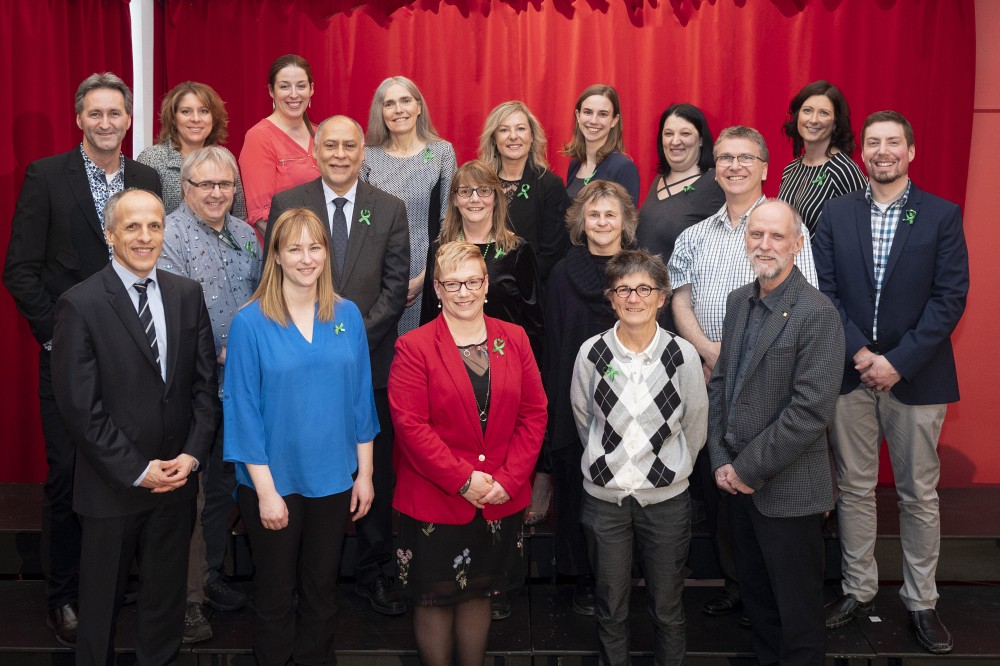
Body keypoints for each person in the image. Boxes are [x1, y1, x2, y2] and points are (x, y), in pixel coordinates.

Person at [2, 72, 161, 648]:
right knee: (70, 474)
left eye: (114, 113)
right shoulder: (46, 177)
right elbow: (19, 270)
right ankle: (64, 596)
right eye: (95, 113)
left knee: (131, 469)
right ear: (79, 119)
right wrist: (59, 335)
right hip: (70, 358)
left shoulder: (147, 177)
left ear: (127, 118)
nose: (105, 123)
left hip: (138, 356)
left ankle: (121, 583)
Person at [814, 111, 969, 655]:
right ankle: (858, 590)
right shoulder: (836, 215)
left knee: (918, 495)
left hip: (918, 377)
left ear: (911, 151)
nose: (883, 151)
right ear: (863, 154)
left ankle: (921, 602)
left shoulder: (941, 215)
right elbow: (824, 291)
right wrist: (860, 353)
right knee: (854, 490)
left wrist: (897, 361)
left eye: (893, 143)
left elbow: (950, 298)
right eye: (873, 143)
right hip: (849, 375)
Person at [50, 189, 216, 665]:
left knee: (164, 610)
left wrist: (191, 455)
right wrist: (138, 469)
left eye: (155, 226)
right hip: (112, 487)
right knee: (99, 612)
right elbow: (80, 408)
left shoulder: (187, 294)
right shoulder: (78, 305)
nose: (145, 237)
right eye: (132, 227)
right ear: (109, 234)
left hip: (176, 485)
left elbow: (204, 390)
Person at [668, 125, 817, 623]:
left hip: (772, 382)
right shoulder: (694, 235)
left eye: (745, 158)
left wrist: (736, 362)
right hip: (707, 372)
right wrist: (710, 351)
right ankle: (737, 582)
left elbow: (804, 302)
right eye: (725, 158)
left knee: (764, 474)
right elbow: (679, 296)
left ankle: (770, 591)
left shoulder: (787, 227)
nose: (734, 166)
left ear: (764, 168)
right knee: (718, 480)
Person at [266, 115, 410, 616]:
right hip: (298, 375)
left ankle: (374, 571)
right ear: (316, 149)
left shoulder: (388, 208)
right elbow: (272, 285)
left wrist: (344, 343)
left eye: (351, 145)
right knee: (307, 468)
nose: (341, 154)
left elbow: (395, 292)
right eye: (331, 145)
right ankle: (306, 573)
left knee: (373, 474)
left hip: (368, 367)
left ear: (362, 152)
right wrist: (317, 347)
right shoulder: (289, 204)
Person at [223, 207, 377, 665]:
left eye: (315, 247)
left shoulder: (346, 314)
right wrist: (268, 493)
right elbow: (243, 412)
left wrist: (364, 475)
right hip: (273, 485)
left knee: (321, 591)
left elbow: (361, 401)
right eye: (295, 249)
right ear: (277, 256)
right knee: (274, 594)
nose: (307, 258)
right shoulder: (250, 322)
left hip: (333, 480)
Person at [389, 240, 547, 666]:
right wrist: (463, 479)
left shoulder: (512, 339)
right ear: (436, 289)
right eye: (453, 283)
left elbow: (534, 414)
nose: (464, 292)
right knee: (434, 600)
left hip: (498, 497)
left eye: (472, 281)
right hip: (434, 499)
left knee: (479, 594)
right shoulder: (414, 346)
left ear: (486, 284)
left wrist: (509, 480)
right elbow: (410, 426)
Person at [707, 199, 844, 665]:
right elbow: (722, 383)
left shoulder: (817, 313)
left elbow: (809, 412)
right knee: (761, 613)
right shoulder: (737, 301)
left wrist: (744, 468)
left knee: (798, 622)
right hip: (738, 491)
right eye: (756, 235)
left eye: (777, 236)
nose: (765, 245)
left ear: (797, 244)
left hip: (789, 493)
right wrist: (721, 460)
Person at [571, 249, 707, 666]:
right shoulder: (592, 354)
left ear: (662, 297)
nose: (634, 298)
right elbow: (583, 417)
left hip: (665, 501)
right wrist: (607, 464)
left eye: (644, 289)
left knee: (667, 609)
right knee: (611, 609)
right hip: (605, 502)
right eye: (624, 289)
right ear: (610, 297)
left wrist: (668, 470)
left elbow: (696, 425)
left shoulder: (682, 355)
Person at [158, 146, 262, 642]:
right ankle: (187, 601)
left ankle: (211, 575)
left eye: (226, 185)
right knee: (191, 499)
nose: (218, 193)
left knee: (223, 491)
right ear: (185, 188)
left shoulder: (246, 236)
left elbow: (264, 301)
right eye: (206, 185)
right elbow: (175, 317)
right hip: (192, 390)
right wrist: (225, 351)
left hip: (241, 392)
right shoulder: (170, 235)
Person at [543, 180, 637, 616]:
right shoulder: (562, 274)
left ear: (625, 222)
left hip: (634, 401)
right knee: (577, 495)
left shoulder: (640, 273)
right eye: (595, 215)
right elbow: (554, 342)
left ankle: (622, 580)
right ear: (582, 222)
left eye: (610, 215)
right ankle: (582, 578)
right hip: (576, 402)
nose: (602, 222)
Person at [420, 160, 544, 357]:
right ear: (454, 199)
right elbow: (428, 315)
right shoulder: (438, 249)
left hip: (505, 358)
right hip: (449, 360)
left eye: (484, 190)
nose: (474, 199)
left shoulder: (517, 250)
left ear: (495, 197)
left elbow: (534, 324)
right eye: (465, 191)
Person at [363, 76, 457, 334]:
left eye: (406, 101)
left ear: (418, 107)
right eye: (389, 103)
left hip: (426, 277)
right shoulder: (365, 156)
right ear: (380, 112)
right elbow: (360, 226)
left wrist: (424, 278)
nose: (398, 110)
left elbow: (448, 222)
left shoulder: (440, 153)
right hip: (376, 280)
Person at [636, 103, 725, 333]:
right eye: (668, 133)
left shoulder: (715, 182)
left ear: (702, 139)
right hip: (647, 307)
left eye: (685, 133)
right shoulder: (659, 180)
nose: (675, 141)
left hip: (686, 313)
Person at [479, 100, 571, 281]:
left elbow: (553, 253)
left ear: (532, 136)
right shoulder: (479, 183)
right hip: (478, 286)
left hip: (529, 290)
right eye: (504, 130)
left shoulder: (549, 185)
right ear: (494, 139)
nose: (513, 136)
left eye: (520, 129)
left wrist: (514, 281)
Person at [137, 81, 247, 219]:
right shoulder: (152, 158)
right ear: (173, 118)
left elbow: (239, 216)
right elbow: (141, 218)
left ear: (214, 118)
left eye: (204, 111)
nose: (195, 119)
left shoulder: (225, 157)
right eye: (186, 111)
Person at [240, 54, 319, 235]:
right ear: (271, 91)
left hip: (322, 248)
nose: (294, 94)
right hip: (285, 251)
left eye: (301, 86)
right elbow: (260, 217)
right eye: (284, 86)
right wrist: (296, 251)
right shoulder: (259, 137)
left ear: (311, 89)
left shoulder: (320, 133)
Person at [777, 80, 867, 236]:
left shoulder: (844, 171)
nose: (813, 119)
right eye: (807, 110)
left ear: (835, 124)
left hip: (825, 261)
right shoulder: (791, 169)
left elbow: (862, 230)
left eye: (824, 113)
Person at [563, 84, 640, 204]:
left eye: (603, 114)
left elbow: (627, 220)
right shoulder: (575, 164)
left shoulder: (623, 168)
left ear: (614, 120)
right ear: (578, 115)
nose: (593, 121)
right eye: (588, 112)